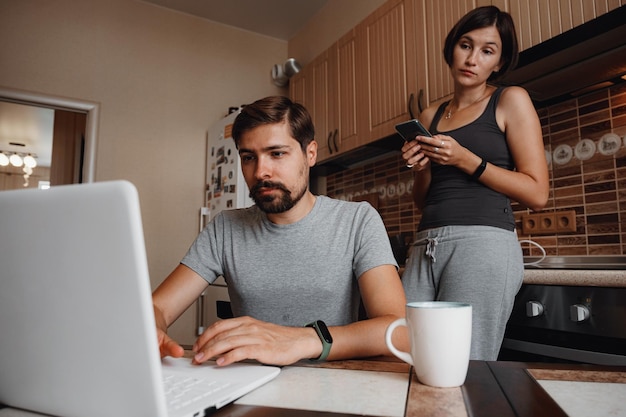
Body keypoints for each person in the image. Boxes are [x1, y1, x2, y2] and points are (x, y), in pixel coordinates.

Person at [153, 95, 407, 367]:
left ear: (310, 154)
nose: (261, 171)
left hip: (331, 384)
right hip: (249, 384)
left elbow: (399, 331)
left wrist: (301, 340)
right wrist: (151, 328)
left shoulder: (357, 220)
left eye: (277, 153)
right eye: (249, 157)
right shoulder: (225, 228)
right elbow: (157, 308)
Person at [400, 6, 549, 361]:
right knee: (404, 354)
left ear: (498, 62)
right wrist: (421, 168)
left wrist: (466, 159)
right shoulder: (429, 115)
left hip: (483, 244)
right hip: (426, 244)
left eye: (487, 50)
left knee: (463, 363)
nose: (472, 58)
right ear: (452, 49)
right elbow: (422, 200)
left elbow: (537, 193)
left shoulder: (509, 100)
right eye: (465, 45)